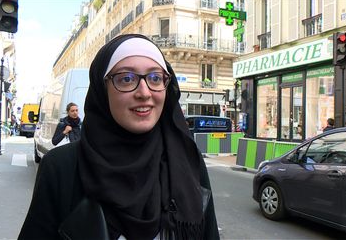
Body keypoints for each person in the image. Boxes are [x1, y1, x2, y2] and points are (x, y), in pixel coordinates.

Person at [19, 34, 219, 240]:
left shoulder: (186, 158)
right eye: (126, 78)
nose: (144, 92)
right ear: (102, 89)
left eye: (155, 78)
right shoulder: (61, 166)